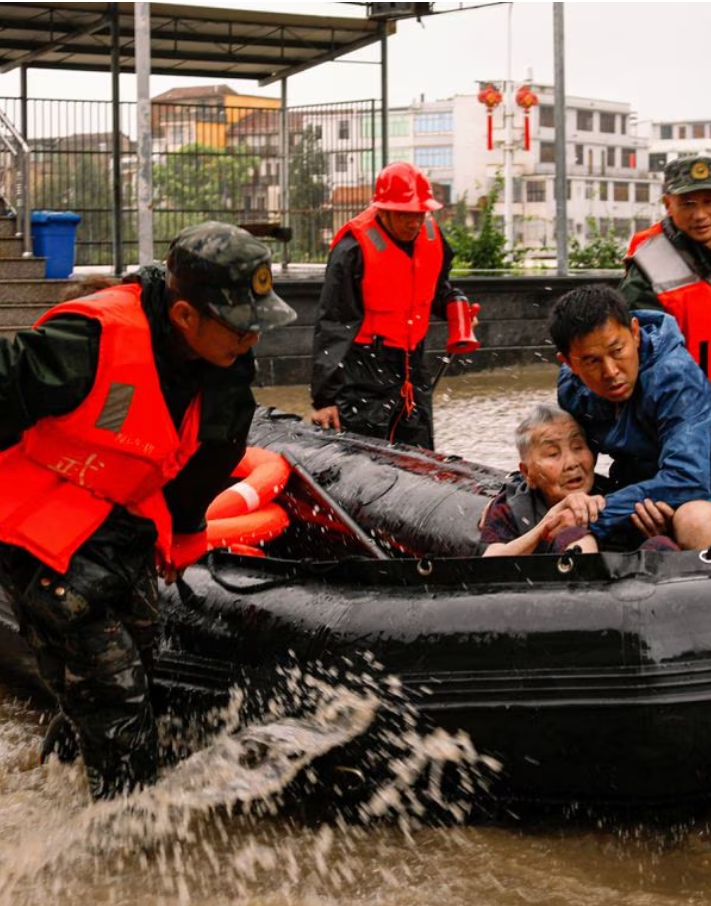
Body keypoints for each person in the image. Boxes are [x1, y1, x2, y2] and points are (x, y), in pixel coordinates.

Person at [0, 221, 297, 799]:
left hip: (123, 523)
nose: (253, 338)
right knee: (116, 694)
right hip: (43, 537)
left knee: (139, 649)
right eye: (240, 325)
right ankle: (125, 835)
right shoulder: (88, 341)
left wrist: (186, 529)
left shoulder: (228, 357)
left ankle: (60, 775)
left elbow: (215, 450)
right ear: (186, 316)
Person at [551, 284, 711, 551]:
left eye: (617, 351)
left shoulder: (676, 379)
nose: (610, 372)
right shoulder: (572, 389)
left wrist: (598, 515)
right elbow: (574, 464)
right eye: (592, 362)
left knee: (695, 518)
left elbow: (688, 481)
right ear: (569, 363)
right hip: (640, 502)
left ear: (635, 333)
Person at [310, 161, 475, 450]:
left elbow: (435, 290)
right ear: (382, 210)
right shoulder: (352, 250)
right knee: (365, 454)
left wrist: (454, 307)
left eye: (419, 214)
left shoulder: (432, 237)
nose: (413, 223)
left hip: (412, 363)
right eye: (404, 215)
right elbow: (334, 325)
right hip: (363, 368)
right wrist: (325, 400)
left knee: (419, 450)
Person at [622, 155, 711, 414]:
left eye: (709, 201)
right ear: (668, 204)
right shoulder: (648, 265)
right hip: (684, 427)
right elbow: (643, 363)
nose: (700, 215)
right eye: (687, 203)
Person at [479, 404, 605, 556]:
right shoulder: (512, 505)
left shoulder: (614, 493)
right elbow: (490, 562)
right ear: (527, 473)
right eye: (553, 454)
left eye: (577, 447)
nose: (572, 463)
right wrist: (548, 523)